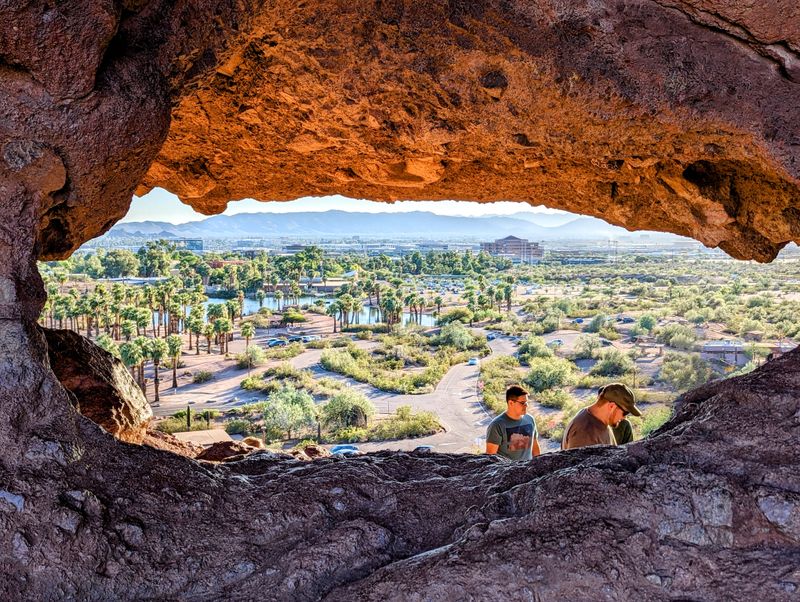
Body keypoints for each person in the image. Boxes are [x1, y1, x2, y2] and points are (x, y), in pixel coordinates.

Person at [562, 383, 640, 450]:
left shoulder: (601, 420)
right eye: (625, 413)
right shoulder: (584, 433)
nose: (624, 418)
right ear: (612, 406)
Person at [486, 384, 540, 461]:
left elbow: (535, 446)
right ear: (511, 403)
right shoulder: (497, 425)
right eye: (522, 403)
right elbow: (490, 458)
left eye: (527, 402)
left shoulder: (530, 419)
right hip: (507, 471)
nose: (526, 405)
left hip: (529, 470)